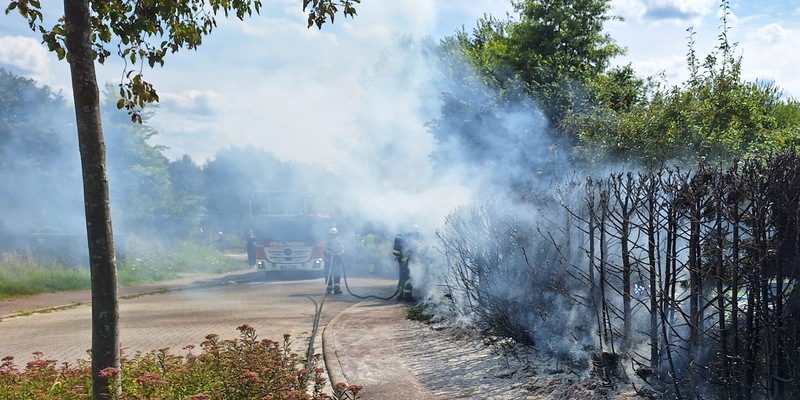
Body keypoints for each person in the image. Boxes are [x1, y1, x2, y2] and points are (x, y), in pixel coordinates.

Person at [392, 225, 420, 302]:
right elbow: (414, 250)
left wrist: (401, 257)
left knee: (402, 277)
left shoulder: (403, 237)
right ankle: (407, 297)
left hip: (402, 261)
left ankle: (399, 295)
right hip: (409, 261)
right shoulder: (412, 239)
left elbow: (395, 252)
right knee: (409, 278)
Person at [324, 226, 345, 295]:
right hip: (329, 260)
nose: (333, 236)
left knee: (337, 274)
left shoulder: (338, 242)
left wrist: (339, 253)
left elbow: (343, 249)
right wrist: (329, 253)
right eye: (332, 235)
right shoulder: (327, 242)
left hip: (336, 260)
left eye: (334, 235)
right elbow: (325, 249)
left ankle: (337, 289)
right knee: (328, 274)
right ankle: (329, 288)